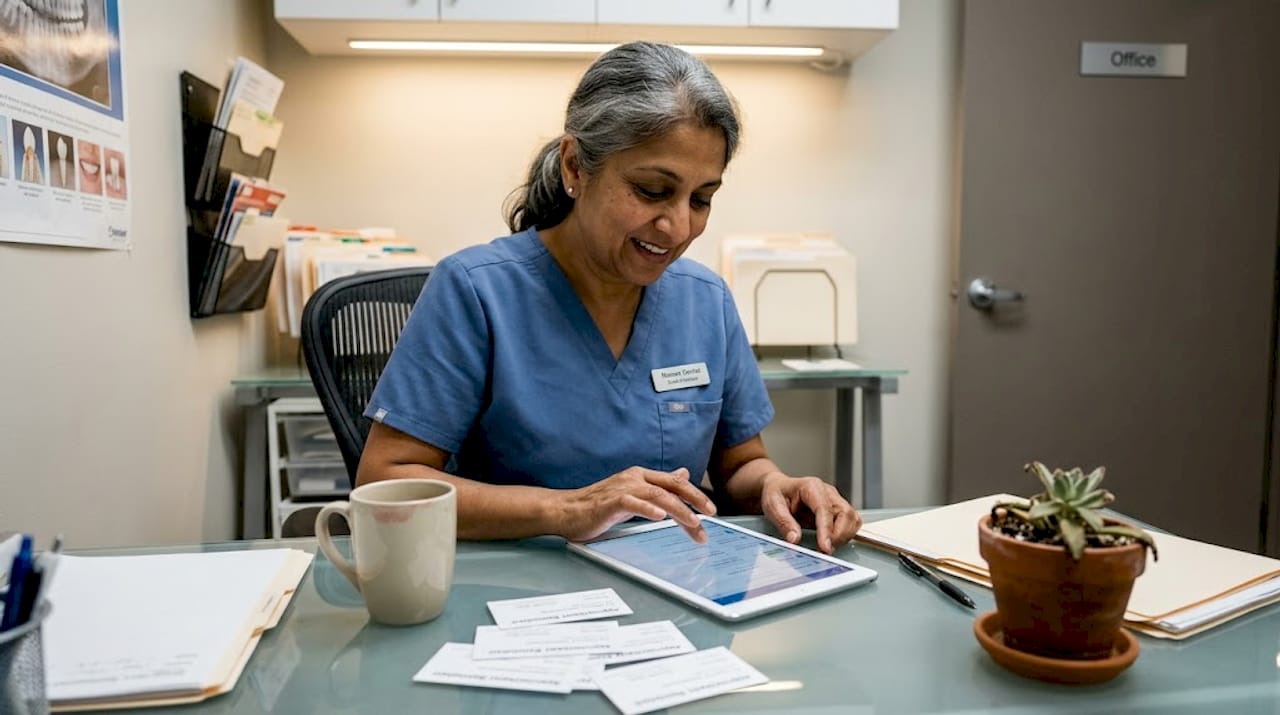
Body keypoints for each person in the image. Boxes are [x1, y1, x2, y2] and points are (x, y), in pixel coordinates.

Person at [359, 41, 862, 554]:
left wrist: (774, 487)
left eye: (702, 198)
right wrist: (567, 510)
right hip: (516, 596)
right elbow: (385, 481)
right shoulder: (474, 291)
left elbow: (740, 464)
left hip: (678, 589)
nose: (679, 226)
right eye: (651, 190)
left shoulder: (704, 300)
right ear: (575, 167)